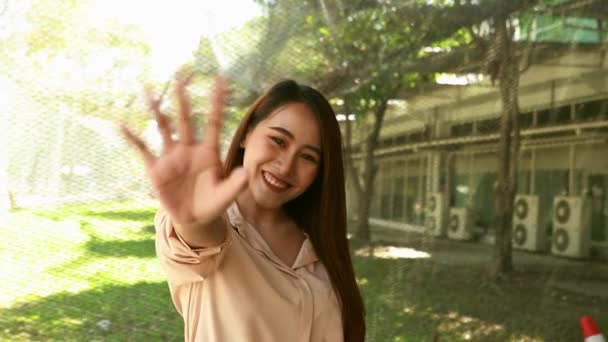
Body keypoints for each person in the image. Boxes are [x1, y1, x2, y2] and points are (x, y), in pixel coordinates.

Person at [121, 76, 365, 341]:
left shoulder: (320, 243)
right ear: (247, 133)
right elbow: (200, 236)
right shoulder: (214, 232)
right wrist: (192, 219)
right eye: (279, 141)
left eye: (308, 157)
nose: (286, 166)